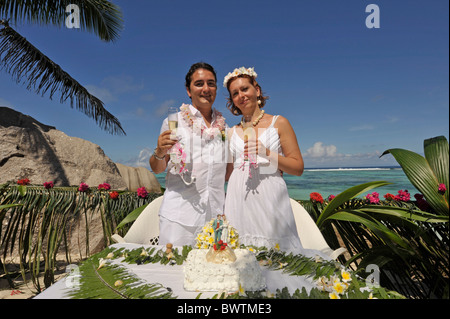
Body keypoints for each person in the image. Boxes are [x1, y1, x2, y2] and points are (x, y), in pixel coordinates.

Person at [223, 66, 305, 253]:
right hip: (238, 198)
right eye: (235, 93)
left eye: (245, 89)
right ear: (232, 101)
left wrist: (267, 153)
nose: (241, 95)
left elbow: (298, 168)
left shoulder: (279, 122)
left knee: (279, 258)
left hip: (270, 197)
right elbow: (226, 174)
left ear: (257, 90)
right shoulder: (230, 132)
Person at [150, 62, 230, 246]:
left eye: (211, 83)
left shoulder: (226, 128)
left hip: (215, 219)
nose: (206, 89)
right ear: (188, 90)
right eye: (199, 83)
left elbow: (229, 173)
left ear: (216, 89)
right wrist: (160, 152)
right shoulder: (174, 122)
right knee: (173, 271)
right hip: (179, 219)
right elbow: (157, 168)